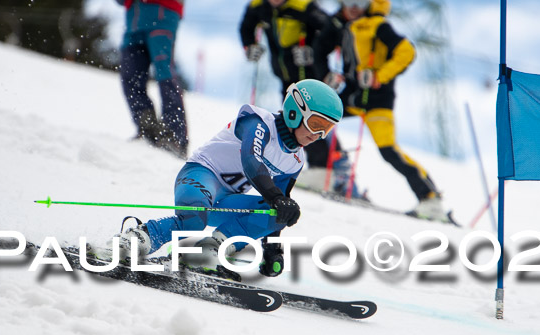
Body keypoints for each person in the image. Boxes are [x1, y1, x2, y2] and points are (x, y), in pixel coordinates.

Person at [91, 79, 344, 277]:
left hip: (225, 200)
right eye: (315, 124)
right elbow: (251, 160)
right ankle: (137, 238)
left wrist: (272, 249)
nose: (318, 134)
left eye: (327, 129)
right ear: (294, 111)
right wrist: (277, 198)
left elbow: (279, 204)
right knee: (193, 219)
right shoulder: (258, 122)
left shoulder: (295, 160)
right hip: (200, 176)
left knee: (279, 213)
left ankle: (207, 251)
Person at [313, 0, 453, 222]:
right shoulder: (342, 24)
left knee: (388, 150)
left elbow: (406, 51)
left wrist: (380, 75)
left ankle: (430, 198)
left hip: (377, 101)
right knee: (316, 115)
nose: (353, 6)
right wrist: (327, 74)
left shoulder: (377, 25)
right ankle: (324, 171)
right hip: (352, 97)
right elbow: (319, 49)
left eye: (360, 2)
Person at [239, 0, 338, 184]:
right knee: (292, 123)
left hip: (308, 79)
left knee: (309, 123)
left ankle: (324, 169)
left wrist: (313, 51)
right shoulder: (259, 6)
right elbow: (247, 25)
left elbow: (331, 31)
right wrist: (249, 45)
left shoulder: (302, 6)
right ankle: (327, 168)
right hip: (286, 76)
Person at [116, 0, 188, 157]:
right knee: (130, 75)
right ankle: (148, 130)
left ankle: (175, 137)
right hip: (134, 19)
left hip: (163, 14)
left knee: (165, 74)